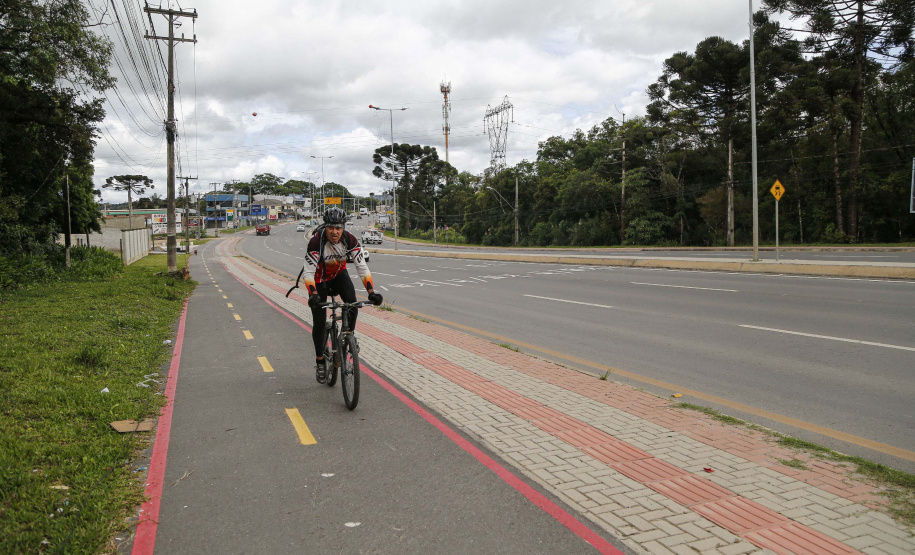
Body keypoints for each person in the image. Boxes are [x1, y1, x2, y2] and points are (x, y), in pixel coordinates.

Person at [302, 207, 382, 382]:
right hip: (320, 280)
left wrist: (371, 292)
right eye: (331, 227)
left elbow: (362, 267)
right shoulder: (316, 242)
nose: (335, 232)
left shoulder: (349, 239)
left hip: (339, 276)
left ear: (343, 228)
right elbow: (308, 273)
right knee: (319, 321)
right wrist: (313, 295)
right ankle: (320, 360)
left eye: (338, 228)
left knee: (352, 304)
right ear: (325, 227)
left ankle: (348, 337)